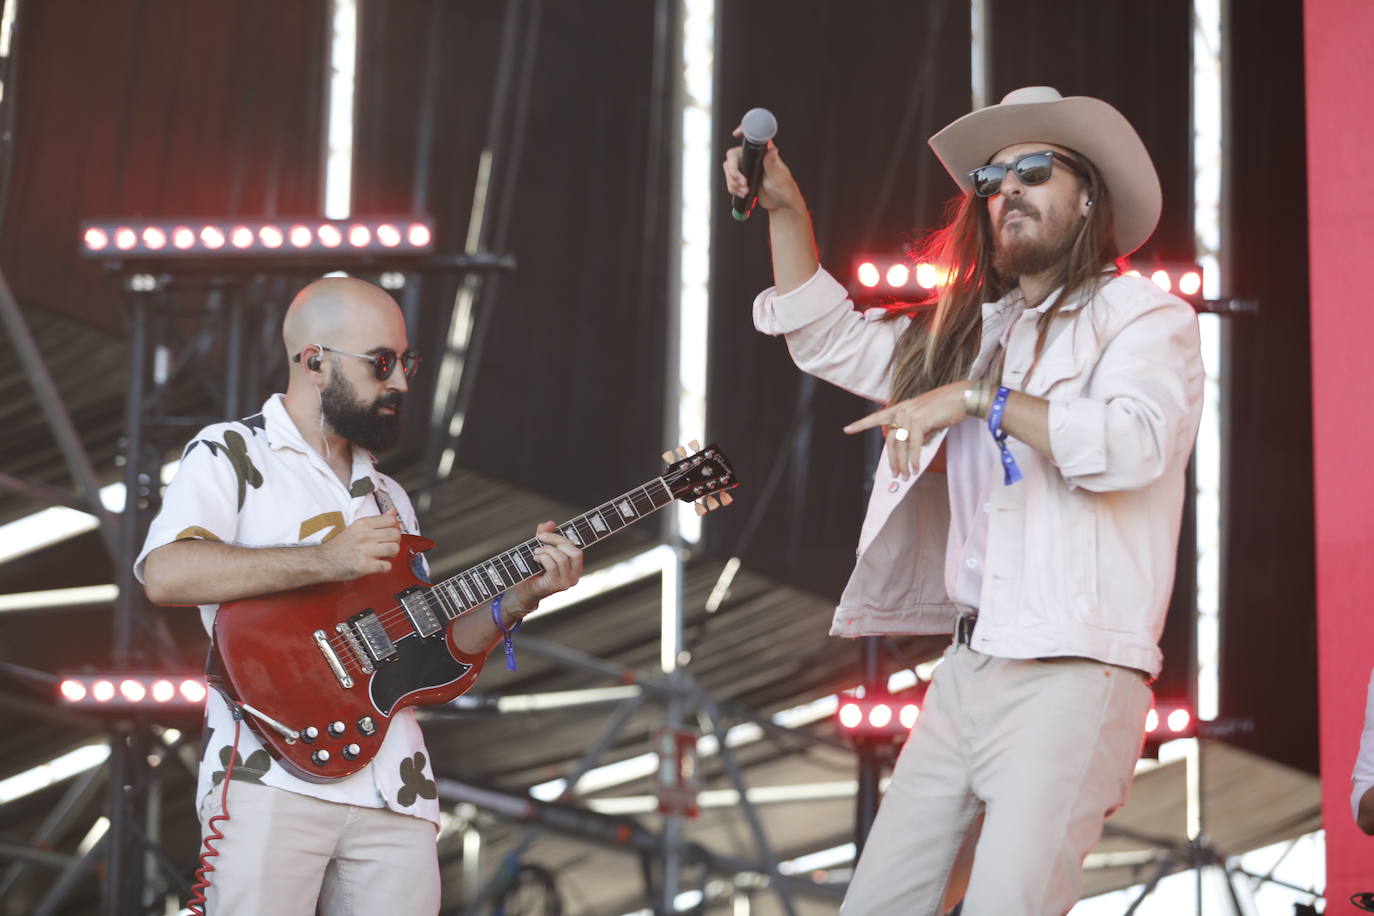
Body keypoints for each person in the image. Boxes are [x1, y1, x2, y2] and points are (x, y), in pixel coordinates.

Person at [724, 86, 1204, 914]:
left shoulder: (1144, 316)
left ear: (1089, 194)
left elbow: (1132, 444)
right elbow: (828, 337)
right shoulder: (976, 334)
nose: (1005, 189)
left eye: (1032, 169)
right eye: (991, 177)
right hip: (969, 666)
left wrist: (979, 401)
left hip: (1075, 672)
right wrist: (787, 208)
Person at [137, 277, 584, 915]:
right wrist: (326, 559)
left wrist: (516, 600)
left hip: (395, 789)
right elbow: (167, 574)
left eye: (408, 362)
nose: (401, 381)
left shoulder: (389, 497)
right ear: (314, 361)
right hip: (269, 776)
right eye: (382, 363)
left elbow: (430, 652)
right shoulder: (231, 451)